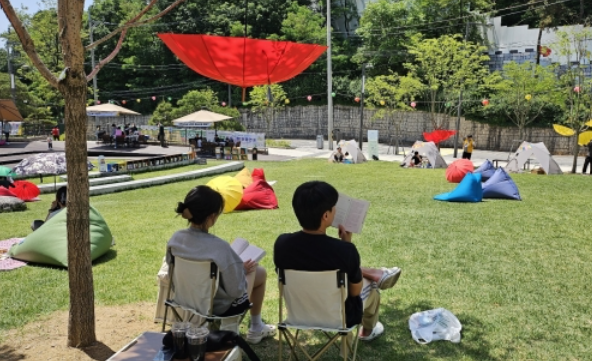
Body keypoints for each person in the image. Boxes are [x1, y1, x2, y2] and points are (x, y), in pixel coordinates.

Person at [274, 181, 402, 343]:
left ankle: (378, 275)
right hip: (339, 317)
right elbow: (355, 292)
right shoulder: (345, 251)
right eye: (334, 206)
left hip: (299, 313)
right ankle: (368, 330)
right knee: (373, 287)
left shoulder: (282, 244)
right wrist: (346, 244)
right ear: (326, 215)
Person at [167, 185, 276, 344]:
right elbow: (236, 290)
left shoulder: (175, 239)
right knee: (256, 269)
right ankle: (256, 327)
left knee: (259, 273)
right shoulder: (219, 247)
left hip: (186, 297)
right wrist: (242, 271)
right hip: (216, 306)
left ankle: (257, 326)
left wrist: (237, 268)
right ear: (211, 217)